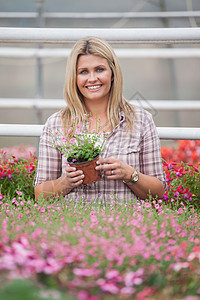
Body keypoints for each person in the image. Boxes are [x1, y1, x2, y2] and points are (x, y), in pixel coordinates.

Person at [34, 36, 166, 203]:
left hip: (127, 225)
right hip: (73, 225)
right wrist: (65, 183)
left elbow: (158, 192)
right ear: (74, 78)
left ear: (112, 73)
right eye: (83, 72)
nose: (92, 78)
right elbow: (40, 195)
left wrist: (130, 174)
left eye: (99, 69)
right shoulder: (56, 124)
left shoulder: (141, 120)